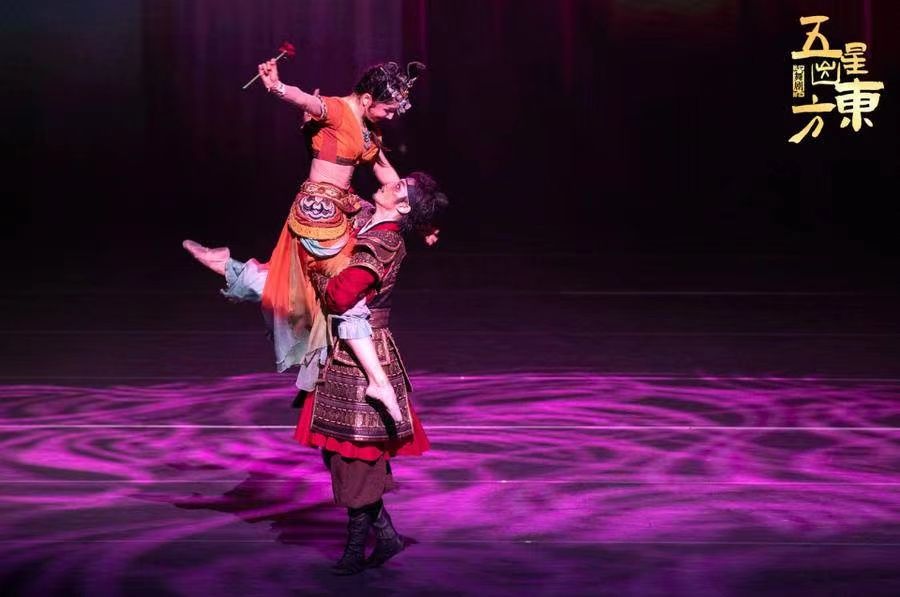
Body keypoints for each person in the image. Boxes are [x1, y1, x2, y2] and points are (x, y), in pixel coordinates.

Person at [184, 58, 429, 420]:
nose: (391, 116)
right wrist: (277, 87)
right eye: (388, 109)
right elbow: (306, 100)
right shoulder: (337, 110)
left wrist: (418, 216)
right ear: (366, 99)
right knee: (347, 300)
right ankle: (377, 382)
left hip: (342, 211)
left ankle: (230, 267)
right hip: (319, 216)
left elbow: (386, 172)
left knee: (308, 295)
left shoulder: (367, 128)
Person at [296, 171, 448, 575]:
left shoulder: (384, 242)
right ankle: (386, 534)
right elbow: (341, 187)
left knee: (358, 455)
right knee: (335, 450)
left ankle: (355, 548)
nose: (391, 182)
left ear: (403, 206)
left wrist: (316, 273)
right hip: (340, 348)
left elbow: (341, 295)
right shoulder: (369, 216)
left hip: (363, 356)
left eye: (400, 187)